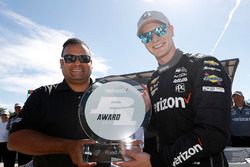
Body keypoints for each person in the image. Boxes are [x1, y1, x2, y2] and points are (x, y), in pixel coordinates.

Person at [115, 11, 232, 167]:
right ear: (143, 42)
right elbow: (157, 132)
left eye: (160, 30)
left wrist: (156, 162)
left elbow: (213, 135)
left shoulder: (203, 65)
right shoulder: (153, 81)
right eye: (146, 36)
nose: (154, 38)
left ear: (171, 30)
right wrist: (145, 112)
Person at [7, 38, 98, 167]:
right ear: (61, 63)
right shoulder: (42, 95)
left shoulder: (107, 95)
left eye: (84, 58)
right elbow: (15, 140)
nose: (77, 63)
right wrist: (69, 147)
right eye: (70, 58)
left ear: (91, 63)